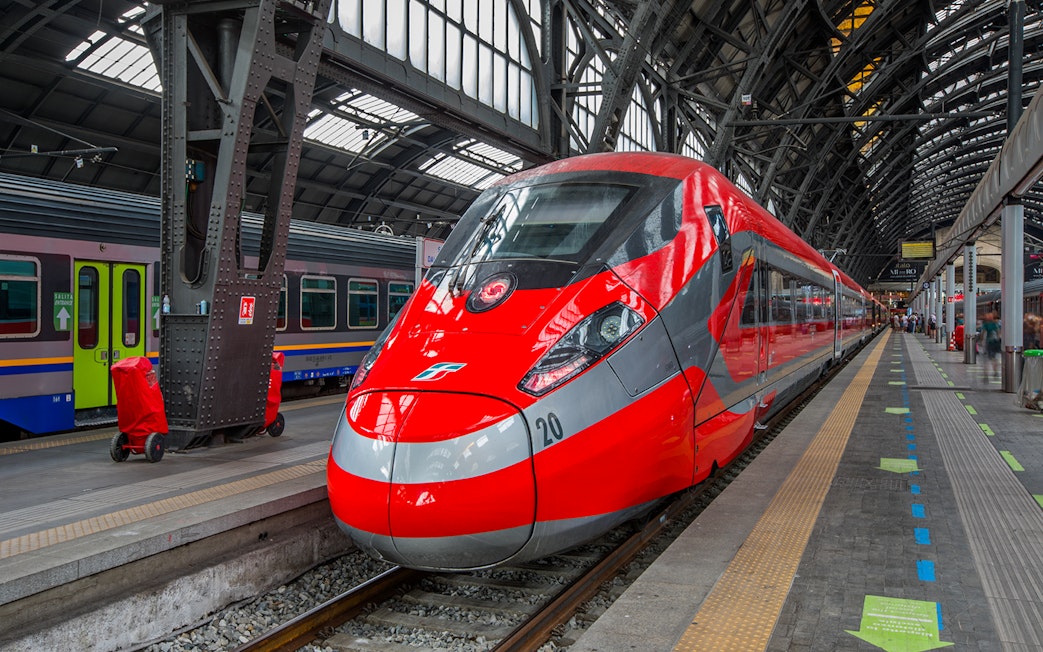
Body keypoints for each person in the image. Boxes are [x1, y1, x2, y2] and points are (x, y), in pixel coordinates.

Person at [979, 311, 1002, 379]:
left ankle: (986, 373)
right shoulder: (996, 324)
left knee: (986, 359)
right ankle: (995, 371)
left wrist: (981, 341)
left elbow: (983, 334)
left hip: (989, 343)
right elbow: (998, 333)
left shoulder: (985, 325)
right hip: (995, 343)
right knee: (994, 358)